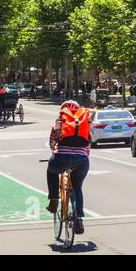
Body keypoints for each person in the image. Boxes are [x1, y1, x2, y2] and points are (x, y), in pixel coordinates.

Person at [46, 99, 92, 235]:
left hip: (61, 158)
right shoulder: (84, 123)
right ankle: (79, 219)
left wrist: (56, 148)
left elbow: (52, 144)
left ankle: (54, 200)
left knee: (51, 171)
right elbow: (88, 145)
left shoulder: (59, 123)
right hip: (82, 160)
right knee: (77, 187)